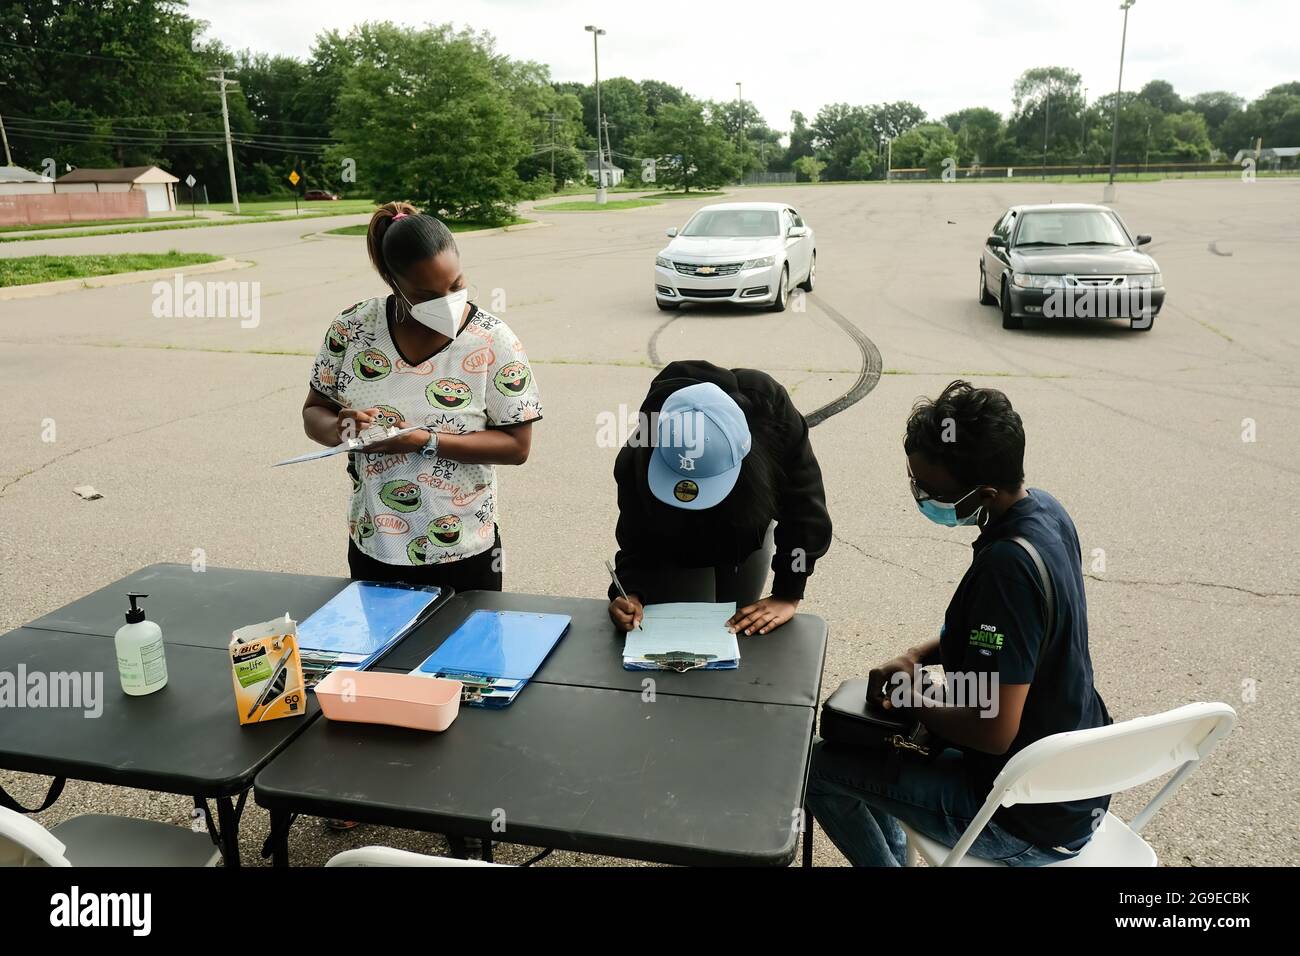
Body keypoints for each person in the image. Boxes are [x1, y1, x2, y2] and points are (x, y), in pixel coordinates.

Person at [807, 380, 1111, 866]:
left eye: (929, 489)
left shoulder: (1006, 570)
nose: (920, 495)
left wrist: (911, 698)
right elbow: (1010, 640)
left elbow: (994, 733)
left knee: (820, 769)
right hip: (1073, 786)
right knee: (870, 747)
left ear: (983, 494)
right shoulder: (1046, 511)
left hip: (1023, 819)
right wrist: (917, 658)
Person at [302, 201, 543, 592]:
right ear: (394, 283)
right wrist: (343, 429)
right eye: (426, 294)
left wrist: (422, 441)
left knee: (464, 654)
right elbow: (315, 411)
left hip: (464, 551)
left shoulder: (493, 340)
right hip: (374, 546)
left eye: (456, 285)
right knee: (383, 653)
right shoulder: (353, 328)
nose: (447, 301)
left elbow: (516, 447)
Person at [607, 360, 831, 636]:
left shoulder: (771, 413)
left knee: (739, 629)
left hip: (745, 530)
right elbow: (636, 536)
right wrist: (632, 591)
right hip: (675, 545)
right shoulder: (639, 453)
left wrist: (788, 593)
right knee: (689, 637)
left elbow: (804, 509)